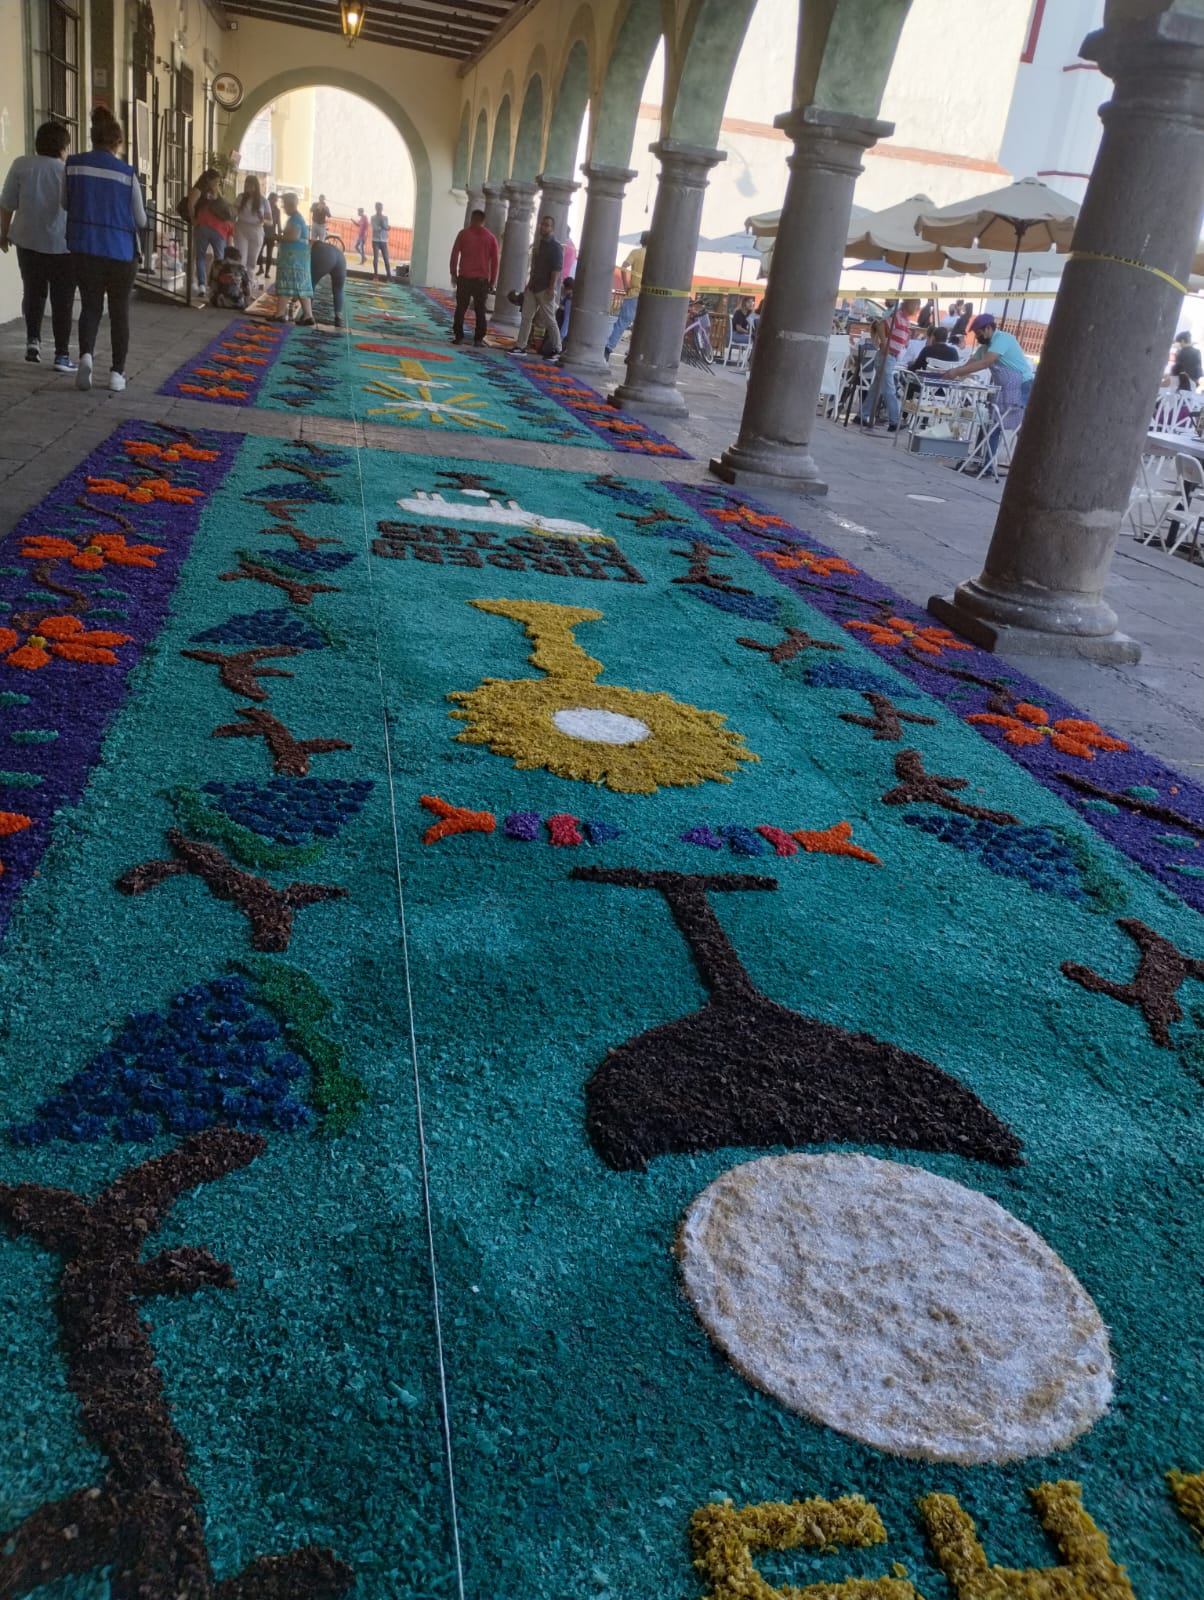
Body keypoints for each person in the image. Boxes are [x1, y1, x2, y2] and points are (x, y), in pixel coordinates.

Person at [64, 108, 146, 392]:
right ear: (118, 142)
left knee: (90, 305)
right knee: (119, 310)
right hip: (121, 251)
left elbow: (65, 202)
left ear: (92, 136)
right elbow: (141, 218)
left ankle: (86, 355)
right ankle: (116, 373)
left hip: (84, 246)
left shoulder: (73, 165)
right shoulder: (126, 174)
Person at [0, 119, 76, 371]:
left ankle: (33, 340)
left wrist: (3, 234)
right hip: (63, 245)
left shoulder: (21, 165)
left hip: (27, 239)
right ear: (64, 146)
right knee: (62, 298)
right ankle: (62, 354)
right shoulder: (68, 170)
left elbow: (7, 203)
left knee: (33, 291)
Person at [942, 311, 1035, 468]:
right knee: (991, 423)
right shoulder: (984, 348)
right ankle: (984, 463)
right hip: (1006, 389)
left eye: (979, 333)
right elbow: (969, 365)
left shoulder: (1002, 339)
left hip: (1022, 386)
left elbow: (985, 363)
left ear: (988, 329)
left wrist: (956, 372)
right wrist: (953, 374)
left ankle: (1019, 463)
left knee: (1013, 425)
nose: (978, 338)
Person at [860, 296, 918, 428]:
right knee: (889, 389)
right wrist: (884, 342)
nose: (917, 308)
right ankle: (894, 420)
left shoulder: (904, 319)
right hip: (887, 356)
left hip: (891, 356)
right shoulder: (898, 316)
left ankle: (862, 414)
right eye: (916, 304)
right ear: (908, 304)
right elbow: (880, 324)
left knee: (877, 388)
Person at [515, 213, 564, 357]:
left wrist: (551, 288)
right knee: (526, 317)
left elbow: (556, 269)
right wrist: (528, 284)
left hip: (545, 289)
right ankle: (520, 346)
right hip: (533, 287)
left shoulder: (555, 247)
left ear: (552, 228)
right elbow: (535, 267)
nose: (543, 227)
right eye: (542, 224)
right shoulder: (539, 244)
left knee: (549, 319)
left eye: (547, 225)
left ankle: (557, 349)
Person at [448, 207, 499, 347]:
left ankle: (459, 337)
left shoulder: (463, 234)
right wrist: (492, 281)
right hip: (481, 280)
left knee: (461, 308)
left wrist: (453, 273)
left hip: (464, 278)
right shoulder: (491, 238)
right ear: (483, 221)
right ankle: (478, 339)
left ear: (472, 219)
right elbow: (495, 262)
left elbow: (454, 254)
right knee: (480, 310)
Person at [604, 230, 648, 360]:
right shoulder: (656, 256)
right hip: (648, 297)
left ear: (641, 241)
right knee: (642, 327)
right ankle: (634, 353)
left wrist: (626, 284)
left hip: (633, 293)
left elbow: (624, 267)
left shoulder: (636, 253)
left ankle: (608, 349)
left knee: (622, 323)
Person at [274, 192, 314, 325]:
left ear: (290, 204)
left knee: (292, 284)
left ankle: (284, 314)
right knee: (295, 285)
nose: (283, 207)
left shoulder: (296, 219)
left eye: (284, 204)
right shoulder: (295, 218)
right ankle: (305, 315)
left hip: (294, 260)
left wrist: (277, 237)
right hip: (295, 259)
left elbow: (293, 237)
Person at [190, 171, 233, 295]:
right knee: (219, 258)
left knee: (200, 257)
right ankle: (218, 286)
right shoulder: (217, 192)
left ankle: (202, 285)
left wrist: (194, 220)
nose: (218, 182)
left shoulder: (199, 190)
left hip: (202, 225)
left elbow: (191, 205)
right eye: (217, 180)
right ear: (211, 179)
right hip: (219, 228)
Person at [233, 175, 269, 286]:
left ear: (256, 186)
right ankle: (238, 283)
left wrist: (263, 219)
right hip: (241, 228)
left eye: (251, 184)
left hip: (257, 230)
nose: (248, 186)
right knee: (241, 258)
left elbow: (270, 221)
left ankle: (249, 283)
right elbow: (234, 213)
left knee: (252, 260)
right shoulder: (241, 197)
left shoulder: (263, 201)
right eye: (246, 184)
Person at [309, 236, 348, 327]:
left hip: (325, 256)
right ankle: (338, 318)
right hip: (341, 259)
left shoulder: (317, 249)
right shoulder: (328, 247)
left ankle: (308, 314)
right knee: (338, 289)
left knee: (311, 282)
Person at [207, 244, 252, 310]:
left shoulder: (216, 265)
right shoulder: (241, 268)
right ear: (238, 257)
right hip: (238, 303)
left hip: (217, 301)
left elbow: (209, 283)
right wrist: (247, 301)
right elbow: (247, 288)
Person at [259, 192, 280, 278]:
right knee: (259, 252)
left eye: (276, 200)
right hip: (262, 233)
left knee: (269, 255)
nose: (274, 201)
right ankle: (260, 268)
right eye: (273, 199)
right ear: (269, 199)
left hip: (271, 235)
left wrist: (279, 235)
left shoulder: (277, 211)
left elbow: (279, 223)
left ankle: (267, 272)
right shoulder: (264, 208)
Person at [371, 202, 391, 281]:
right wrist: (383, 226)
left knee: (386, 258)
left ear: (382, 209)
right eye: (378, 208)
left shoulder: (385, 217)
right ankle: (376, 276)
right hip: (375, 240)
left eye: (380, 208)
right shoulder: (373, 217)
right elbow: (375, 228)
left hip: (383, 241)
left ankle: (389, 276)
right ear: (375, 208)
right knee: (376, 258)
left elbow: (387, 228)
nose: (379, 209)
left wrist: (385, 227)